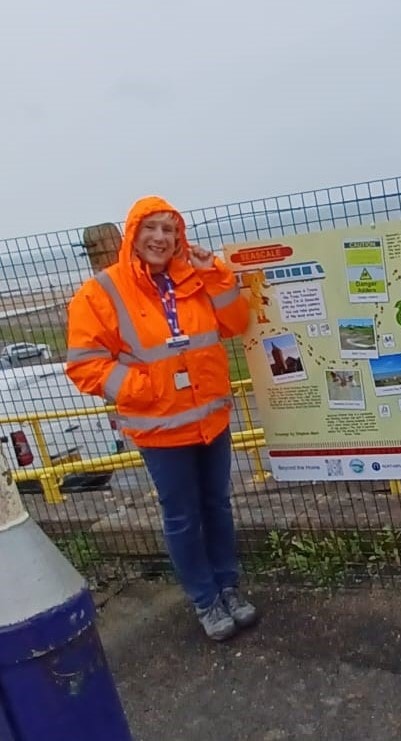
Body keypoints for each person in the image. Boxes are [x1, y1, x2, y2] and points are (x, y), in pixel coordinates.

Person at [66, 196, 257, 641]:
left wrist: (214, 272)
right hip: (160, 429)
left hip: (211, 420)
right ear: (133, 235)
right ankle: (206, 600)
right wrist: (144, 389)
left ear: (179, 238)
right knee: (183, 516)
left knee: (218, 506)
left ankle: (229, 587)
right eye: (150, 228)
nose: (160, 238)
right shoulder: (102, 291)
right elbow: (83, 362)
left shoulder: (193, 277)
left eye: (169, 230)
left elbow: (236, 321)